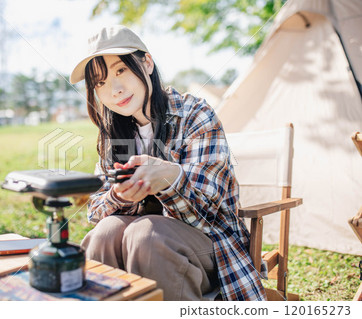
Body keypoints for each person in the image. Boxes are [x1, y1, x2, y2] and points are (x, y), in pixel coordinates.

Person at [69, 25, 267, 301]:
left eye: (120, 70)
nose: (114, 89)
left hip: (211, 248)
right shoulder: (112, 133)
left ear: (146, 63)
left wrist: (171, 179)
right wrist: (119, 196)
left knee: (146, 234)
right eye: (100, 83)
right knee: (105, 233)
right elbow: (96, 209)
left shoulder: (195, 114)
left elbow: (210, 214)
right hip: (138, 247)